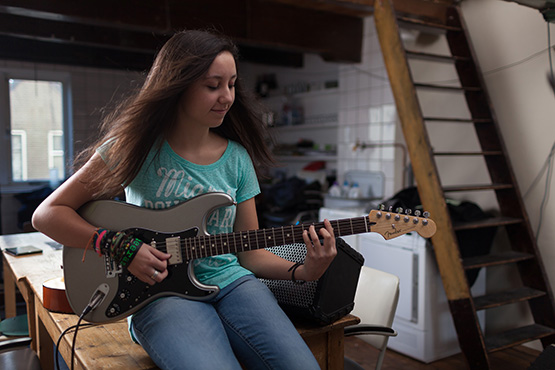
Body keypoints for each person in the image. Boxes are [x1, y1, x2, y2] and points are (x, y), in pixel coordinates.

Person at [32, 29, 337, 370]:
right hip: (159, 294)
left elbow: (248, 253)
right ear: (178, 85)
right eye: (212, 85)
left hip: (233, 284)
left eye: (232, 84)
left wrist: (304, 271)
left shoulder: (237, 159)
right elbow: (47, 213)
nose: (227, 97)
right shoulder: (132, 148)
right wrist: (121, 248)